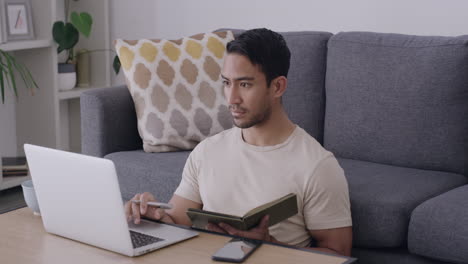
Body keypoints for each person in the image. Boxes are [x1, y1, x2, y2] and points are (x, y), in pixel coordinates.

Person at [125, 28, 352, 256]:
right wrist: (149, 215)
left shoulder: (317, 166)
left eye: (245, 85)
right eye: (226, 83)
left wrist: (269, 245)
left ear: (277, 87)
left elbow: (338, 254)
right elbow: (176, 221)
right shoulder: (207, 151)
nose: (232, 99)